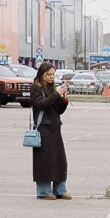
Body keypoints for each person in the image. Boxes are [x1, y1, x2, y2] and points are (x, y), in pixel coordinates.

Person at [30, 63, 69, 200]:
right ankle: (44, 191)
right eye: (49, 74)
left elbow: (59, 110)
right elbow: (41, 105)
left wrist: (63, 100)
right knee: (44, 161)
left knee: (59, 160)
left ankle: (60, 189)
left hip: (55, 129)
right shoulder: (35, 88)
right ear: (42, 74)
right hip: (43, 129)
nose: (52, 77)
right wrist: (56, 95)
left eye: (53, 74)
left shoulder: (52, 88)